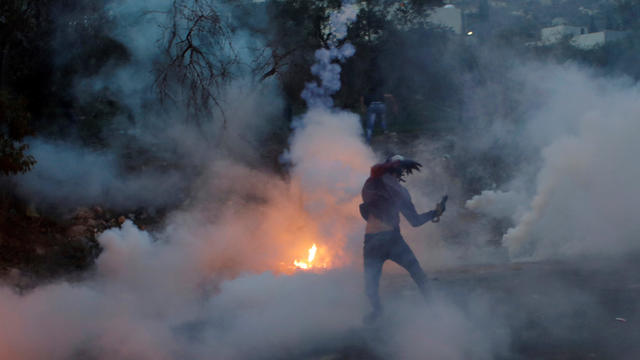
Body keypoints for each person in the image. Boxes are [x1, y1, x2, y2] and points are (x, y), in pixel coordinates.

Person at [358, 155, 446, 323]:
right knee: (371, 287)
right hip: (374, 242)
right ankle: (377, 312)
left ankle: (436, 311)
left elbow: (415, 221)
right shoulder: (374, 182)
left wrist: (435, 212)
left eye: (397, 168)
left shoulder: (399, 191)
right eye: (394, 167)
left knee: (418, 274)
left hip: (390, 240)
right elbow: (377, 171)